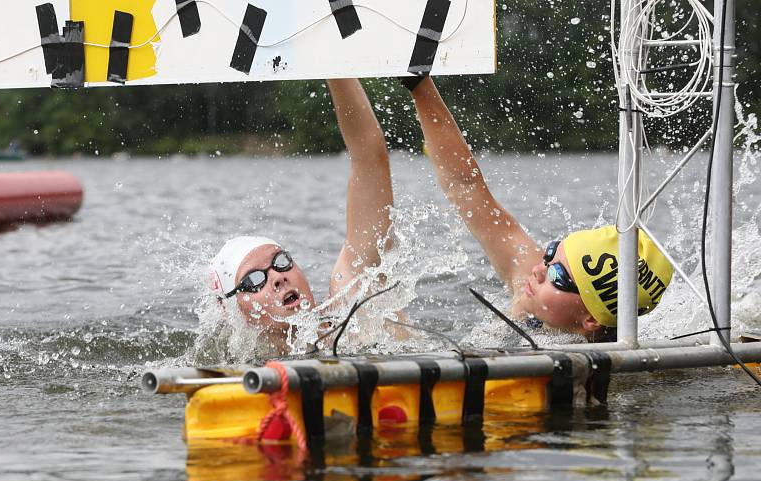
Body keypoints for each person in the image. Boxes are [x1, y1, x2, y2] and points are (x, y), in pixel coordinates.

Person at [401, 76, 673, 342]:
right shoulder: (530, 288)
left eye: (557, 276)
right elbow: (466, 188)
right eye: (550, 255)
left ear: (590, 320)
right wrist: (418, 83)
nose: (539, 271)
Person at [209, 79, 396, 354]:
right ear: (234, 311)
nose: (277, 277)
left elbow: (369, 157)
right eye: (253, 281)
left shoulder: (352, 310)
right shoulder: (237, 370)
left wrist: (335, 67)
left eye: (281, 262)